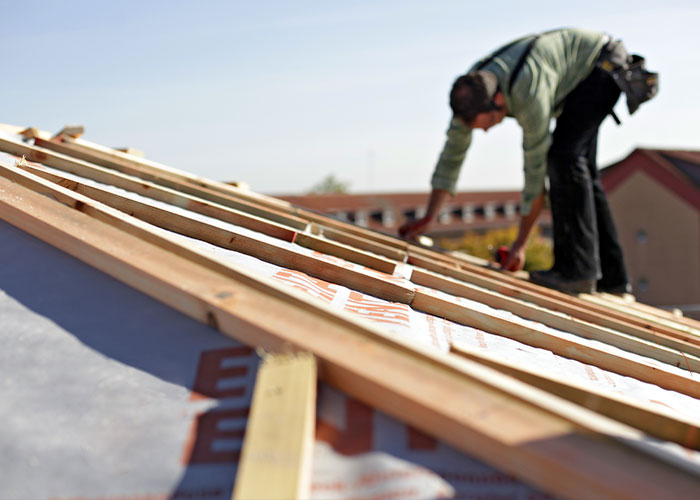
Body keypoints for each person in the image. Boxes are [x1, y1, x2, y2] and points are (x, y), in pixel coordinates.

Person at [399, 27, 652, 295]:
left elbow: (535, 174)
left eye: (490, 123)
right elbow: (451, 158)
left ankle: (576, 272)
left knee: (564, 158)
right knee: (581, 170)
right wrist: (429, 217)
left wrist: (520, 244)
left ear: (498, 101)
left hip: (603, 68)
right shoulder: (470, 94)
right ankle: (612, 281)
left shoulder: (529, 92)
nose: (485, 131)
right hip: (586, 71)